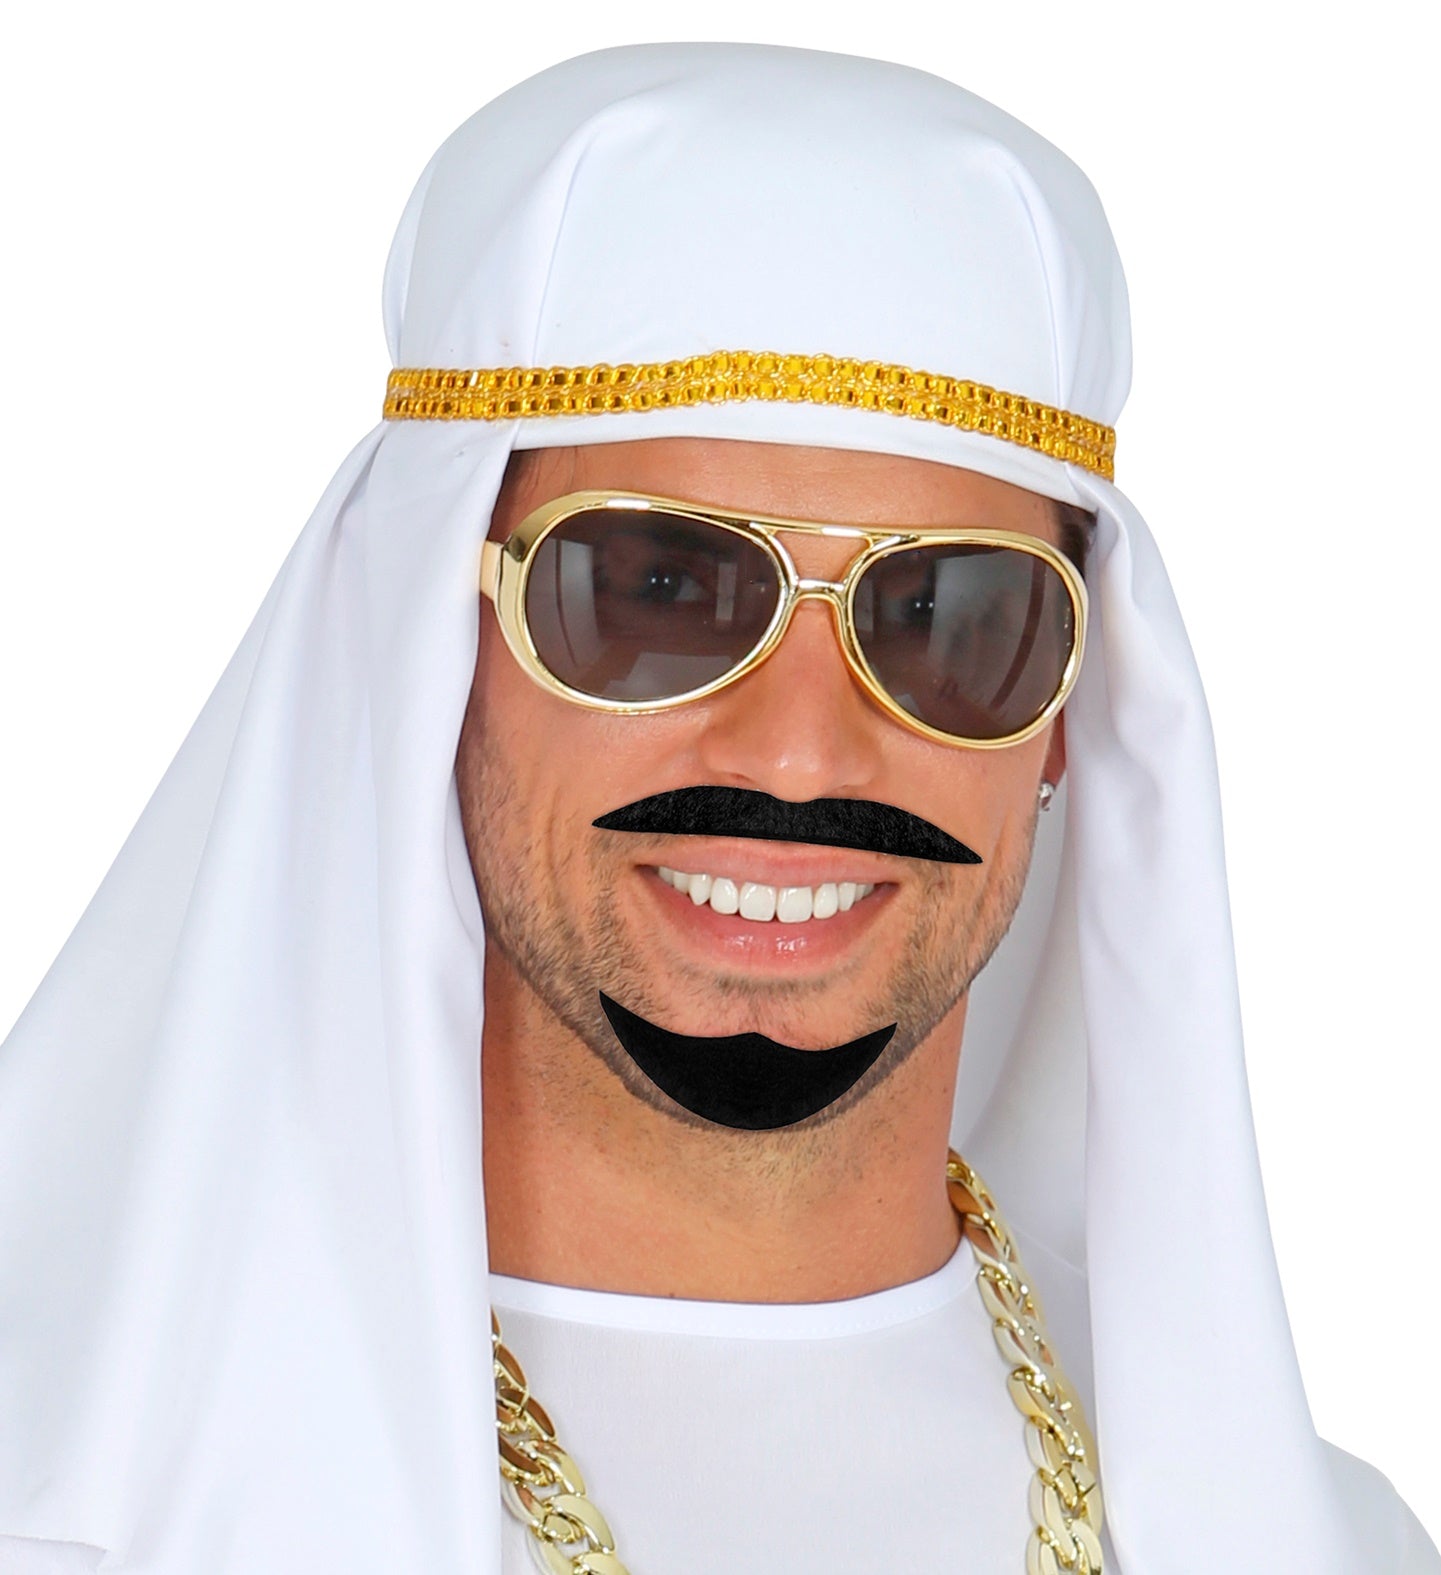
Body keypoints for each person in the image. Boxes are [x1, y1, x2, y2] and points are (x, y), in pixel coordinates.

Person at [0, 41, 1434, 1575]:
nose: (800, 753)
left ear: (1070, 715)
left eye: (943, 618)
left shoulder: (1321, 1542)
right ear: (423, 645)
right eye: (656, 591)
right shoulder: (76, 1517)